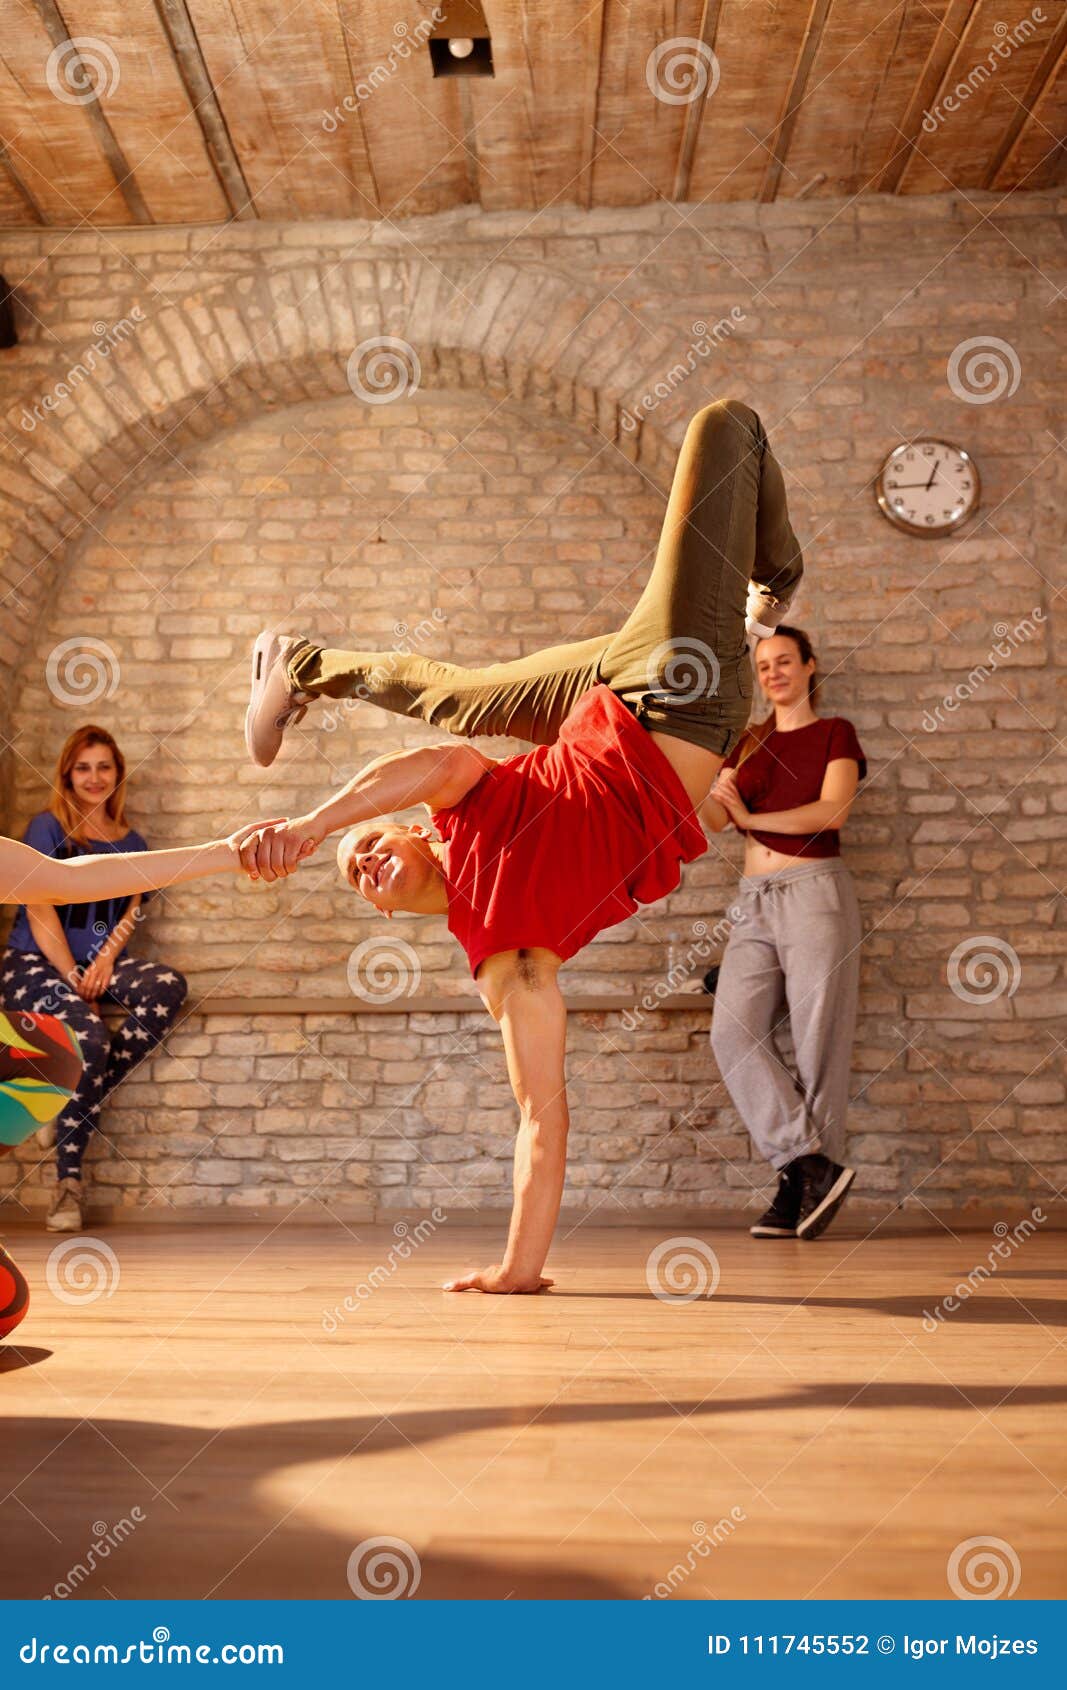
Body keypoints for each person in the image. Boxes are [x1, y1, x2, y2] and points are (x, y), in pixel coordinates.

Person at [239, 398, 804, 1296]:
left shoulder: (463, 804)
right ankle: (770, 585)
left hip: (604, 695)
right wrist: (517, 1269)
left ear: (404, 830)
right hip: (677, 702)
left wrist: (313, 829)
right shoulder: (507, 956)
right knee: (722, 425)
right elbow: (542, 1116)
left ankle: (297, 662)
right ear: (384, 911)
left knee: (455, 697)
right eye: (356, 877)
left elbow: (435, 759)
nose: (364, 859)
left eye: (366, 845)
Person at [701, 625, 866, 1241]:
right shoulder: (746, 744)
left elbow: (833, 811)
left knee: (819, 1042)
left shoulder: (834, 733)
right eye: (764, 666)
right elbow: (716, 819)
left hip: (815, 893)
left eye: (784, 662)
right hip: (755, 901)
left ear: (809, 667)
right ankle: (807, 1163)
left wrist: (750, 816)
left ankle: (800, 1190)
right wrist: (697, 784)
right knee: (733, 1032)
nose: (773, 673)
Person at [1, 726, 201, 1232]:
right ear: (67, 774)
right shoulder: (47, 829)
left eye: (104, 767)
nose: (94, 777)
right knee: (88, 1037)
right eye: (83, 767)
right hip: (36, 962)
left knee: (167, 985)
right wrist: (73, 980)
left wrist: (108, 960)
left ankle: (68, 1103)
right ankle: (68, 1187)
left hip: (95, 966)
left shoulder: (133, 843)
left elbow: (130, 913)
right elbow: (40, 908)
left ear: (118, 774)